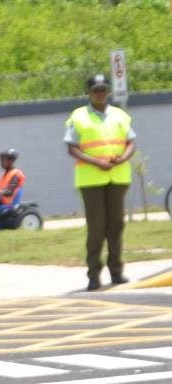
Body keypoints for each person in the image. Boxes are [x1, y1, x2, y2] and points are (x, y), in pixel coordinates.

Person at [64, 74, 136, 290]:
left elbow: (131, 141)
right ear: (88, 92)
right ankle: (94, 275)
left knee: (116, 226)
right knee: (96, 227)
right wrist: (96, 162)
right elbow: (72, 147)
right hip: (91, 180)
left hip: (117, 176)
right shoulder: (78, 117)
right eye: (96, 90)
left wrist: (122, 158)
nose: (100, 93)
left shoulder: (120, 115)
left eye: (103, 89)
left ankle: (116, 272)